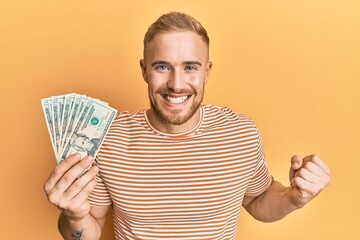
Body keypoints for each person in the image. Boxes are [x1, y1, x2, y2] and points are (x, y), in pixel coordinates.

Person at [43, 12, 331, 240]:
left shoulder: (240, 134)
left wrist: (294, 197)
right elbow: (86, 233)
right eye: (162, 67)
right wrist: (75, 217)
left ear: (207, 72)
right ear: (144, 70)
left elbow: (259, 201)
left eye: (190, 67)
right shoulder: (110, 138)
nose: (176, 84)